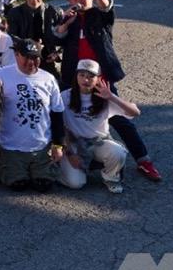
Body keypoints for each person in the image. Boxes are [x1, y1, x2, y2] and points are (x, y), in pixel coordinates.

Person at [52, 0, 162, 182]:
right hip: (73, 79)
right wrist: (65, 24)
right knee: (61, 117)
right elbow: (55, 38)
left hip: (101, 80)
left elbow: (106, 8)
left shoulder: (99, 15)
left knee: (120, 121)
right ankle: (61, 156)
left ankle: (143, 160)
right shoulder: (68, 19)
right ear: (68, 0)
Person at [0, 39, 65, 192]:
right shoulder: (1, 74)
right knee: (18, 184)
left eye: (35, 57)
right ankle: (5, 165)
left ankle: (38, 168)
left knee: (44, 185)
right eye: (26, 57)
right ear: (16, 55)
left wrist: (58, 145)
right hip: (11, 146)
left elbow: (57, 113)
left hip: (41, 146)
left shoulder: (48, 78)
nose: (31, 62)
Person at [58, 59, 141, 194]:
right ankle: (60, 169)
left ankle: (111, 178)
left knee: (118, 152)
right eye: (82, 75)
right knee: (76, 183)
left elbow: (135, 112)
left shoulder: (104, 96)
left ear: (98, 79)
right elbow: (58, 126)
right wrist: (69, 154)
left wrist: (112, 97)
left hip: (98, 141)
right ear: (76, 76)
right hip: (74, 143)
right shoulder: (65, 96)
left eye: (91, 76)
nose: (86, 80)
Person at [6, 0, 63, 76]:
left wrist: (57, 53)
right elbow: (12, 36)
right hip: (25, 56)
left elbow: (64, 37)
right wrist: (32, 46)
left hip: (48, 58)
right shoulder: (15, 13)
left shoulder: (55, 12)